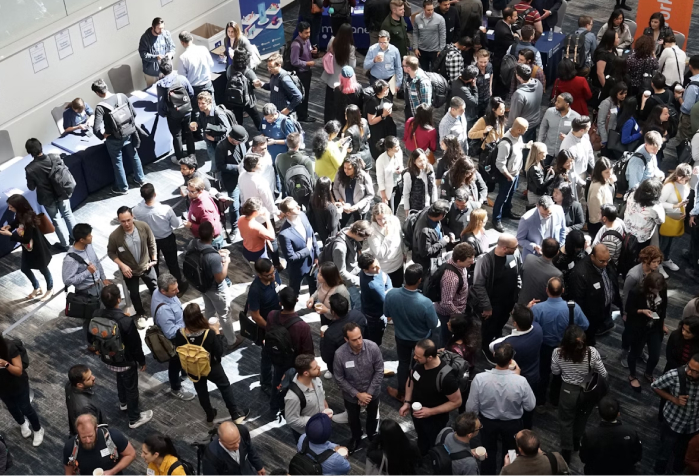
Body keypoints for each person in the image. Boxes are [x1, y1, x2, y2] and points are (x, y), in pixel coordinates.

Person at [89, 284, 153, 428]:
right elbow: (135, 345)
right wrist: (141, 361)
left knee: (120, 378)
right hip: (125, 361)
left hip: (107, 358)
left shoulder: (96, 314)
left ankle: (123, 403)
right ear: (119, 299)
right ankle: (134, 418)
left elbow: (91, 335)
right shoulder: (125, 321)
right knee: (131, 388)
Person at [466, 343, 535, 473]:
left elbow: (471, 407)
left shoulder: (479, 379)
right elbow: (530, 406)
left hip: (487, 422)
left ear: (493, 356)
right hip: (512, 424)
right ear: (510, 361)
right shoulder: (521, 381)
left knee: (487, 451)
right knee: (512, 453)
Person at [175, 303, 249, 424]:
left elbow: (178, 348)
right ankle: (235, 414)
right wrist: (216, 332)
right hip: (211, 367)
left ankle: (210, 414)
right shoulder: (208, 333)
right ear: (199, 317)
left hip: (193, 368)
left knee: (201, 391)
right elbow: (219, 351)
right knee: (224, 386)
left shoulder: (180, 333)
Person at [552, 325, 607, 463]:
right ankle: (577, 442)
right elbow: (604, 374)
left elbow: (555, 372)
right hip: (587, 391)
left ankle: (566, 451)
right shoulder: (592, 353)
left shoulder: (557, 353)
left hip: (567, 391)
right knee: (582, 417)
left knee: (565, 421)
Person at [384, 263, 439, 402]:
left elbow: (387, 314)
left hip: (401, 336)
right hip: (421, 341)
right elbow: (433, 325)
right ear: (420, 280)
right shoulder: (425, 303)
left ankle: (402, 392)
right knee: (421, 366)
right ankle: (419, 394)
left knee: (403, 364)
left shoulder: (391, 294)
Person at [531, 277, 589, 406]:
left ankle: (540, 402)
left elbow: (529, 327)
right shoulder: (573, 308)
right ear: (563, 290)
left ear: (546, 290)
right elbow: (585, 325)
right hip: (565, 348)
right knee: (560, 375)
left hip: (543, 348)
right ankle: (555, 400)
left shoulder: (537, 309)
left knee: (543, 374)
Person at [399, 339, 461, 455]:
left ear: (430, 357)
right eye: (415, 355)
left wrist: (430, 412)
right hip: (418, 413)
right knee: (421, 437)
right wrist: (407, 402)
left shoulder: (447, 378)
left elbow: (457, 402)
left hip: (435, 420)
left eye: (418, 356)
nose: (415, 358)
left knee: (435, 443)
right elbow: (411, 379)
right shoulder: (419, 362)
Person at [489, 305, 542, 429]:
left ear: (515, 323)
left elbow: (492, 346)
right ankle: (527, 429)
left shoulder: (510, 343)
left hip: (516, 381)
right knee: (528, 407)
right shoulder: (539, 329)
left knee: (513, 408)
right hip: (534, 375)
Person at [333, 322, 384, 453]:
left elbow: (379, 371)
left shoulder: (372, 348)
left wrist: (368, 393)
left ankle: (372, 434)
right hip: (351, 396)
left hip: (372, 392)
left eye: (360, 337)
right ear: (346, 339)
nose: (359, 342)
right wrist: (357, 394)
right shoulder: (340, 354)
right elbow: (339, 378)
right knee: (353, 418)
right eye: (354, 340)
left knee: (372, 415)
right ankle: (356, 437)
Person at [91, 79, 145, 195]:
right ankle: (140, 179)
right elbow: (134, 114)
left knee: (117, 162)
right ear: (107, 87)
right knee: (134, 156)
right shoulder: (122, 96)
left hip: (113, 139)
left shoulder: (100, 107)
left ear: (97, 93)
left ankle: (123, 188)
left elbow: (95, 129)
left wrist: (103, 135)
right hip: (129, 133)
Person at [185, 221, 236, 344]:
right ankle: (232, 341)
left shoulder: (193, 243)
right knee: (224, 314)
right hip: (216, 289)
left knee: (209, 309)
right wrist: (226, 262)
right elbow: (219, 278)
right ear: (213, 234)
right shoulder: (213, 257)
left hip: (202, 285)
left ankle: (207, 332)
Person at [150, 273, 199, 399]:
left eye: (177, 287)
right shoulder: (163, 310)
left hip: (181, 330)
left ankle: (184, 372)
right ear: (163, 291)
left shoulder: (160, 292)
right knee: (175, 363)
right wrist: (188, 328)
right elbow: (171, 332)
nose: (178, 291)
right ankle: (176, 388)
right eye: (174, 290)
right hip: (175, 339)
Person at [472, 234, 522, 356]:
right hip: (492, 305)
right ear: (504, 248)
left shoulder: (514, 254)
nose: (517, 249)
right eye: (514, 247)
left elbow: (518, 273)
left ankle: (497, 335)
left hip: (508, 303)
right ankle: (485, 347)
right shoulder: (485, 260)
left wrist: (518, 290)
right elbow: (478, 285)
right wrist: (487, 307)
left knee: (500, 323)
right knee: (489, 328)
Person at [107, 206, 157, 327]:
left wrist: (154, 259)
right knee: (134, 293)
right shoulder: (115, 236)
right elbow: (111, 252)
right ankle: (140, 314)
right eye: (123, 221)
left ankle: (159, 308)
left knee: (155, 288)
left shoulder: (143, 226)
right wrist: (122, 265)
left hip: (146, 266)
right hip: (130, 271)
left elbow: (151, 241)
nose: (127, 224)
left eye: (128, 220)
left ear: (133, 216)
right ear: (118, 220)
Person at [24, 138, 76, 251]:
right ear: (41, 146)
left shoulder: (29, 169)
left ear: (29, 152)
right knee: (68, 214)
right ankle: (76, 238)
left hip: (47, 198)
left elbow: (31, 187)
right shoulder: (55, 157)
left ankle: (65, 244)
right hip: (62, 192)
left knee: (56, 220)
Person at [133, 184, 186, 293]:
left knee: (154, 265)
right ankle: (178, 287)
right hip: (167, 239)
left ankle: (157, 289)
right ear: (155, 194)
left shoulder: (136, 210)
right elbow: (176, 224)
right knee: (172, 264)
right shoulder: (165, 209)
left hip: (150, 241)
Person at [652, 354, 699, 474]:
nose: (688, 372)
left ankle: (677, 469)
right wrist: (674, 399)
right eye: (689, 367)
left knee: (683, 452)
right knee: (665, 451)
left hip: (693, 425)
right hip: (674, 421)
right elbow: (655, 386)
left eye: (694, 371)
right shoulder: (674, 375)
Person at [0, 195, 53, 301]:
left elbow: (26, 239)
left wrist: (9, 234)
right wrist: (10, 226)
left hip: (36, 248)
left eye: (11, 207)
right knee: (25, 268)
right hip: (28, 248)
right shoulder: (20, 213)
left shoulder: (29, 218)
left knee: (43, 269)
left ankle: (50, 289)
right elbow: (17, 222)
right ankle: (37, 287)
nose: (9, 209)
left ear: (18, 206)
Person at [569, 243, 620, 346]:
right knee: (589, 337)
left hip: (604, 307)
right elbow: (579, 301)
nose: (606, 264)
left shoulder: (605, 263)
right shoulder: (580, 273)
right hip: (590, 315)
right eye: (602, 261)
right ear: (592, 257)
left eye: (607, 260)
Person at [626, 272, 668, 390]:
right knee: (634, 353)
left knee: (655, 356)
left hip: (655, 327)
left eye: (658, 289)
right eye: (654, 289)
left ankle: (648, 373)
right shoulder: (636, 292)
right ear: (648, 286)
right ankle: (632, 375)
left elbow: (663, 308)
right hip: (639, 328)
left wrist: (663, 324)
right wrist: (642, 311)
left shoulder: (662, 289)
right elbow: (629, 309)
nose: (656, 292)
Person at [0, 332, 44, 446]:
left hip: (17, 384)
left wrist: (5, 364)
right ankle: (22, 423)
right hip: (2, 388)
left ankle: (38, 429)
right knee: (12, 408)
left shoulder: (9, 347)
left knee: (26, 408)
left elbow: (18, 371)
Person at [579, 397, 642, 475]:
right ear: (618, 414)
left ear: (600, 414)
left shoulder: (589, 435)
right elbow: (637, 456)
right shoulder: (630, 432)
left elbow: (584, 458)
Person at [319, 220, 372, 309]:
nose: (364, 240)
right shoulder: (340, 248)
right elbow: (341, 272)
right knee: (358, 304)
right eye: (364, 238)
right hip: (347, 281)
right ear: (357, 233)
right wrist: (358, 280)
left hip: (352, 273)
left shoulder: (348, 230)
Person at [248, 259, 281, 389]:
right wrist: (270, 328)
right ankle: (265, 383)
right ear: (260, 274)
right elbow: (255, 315)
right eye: (269, 275)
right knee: (267, 356)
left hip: (277, 321)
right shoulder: (255, 290)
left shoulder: (272, 277)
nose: (273, 276)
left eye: (274, 272)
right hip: (267, 328)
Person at [63, 414, 135, 475]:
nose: (88, 440)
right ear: (78, 433)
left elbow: (131, 454)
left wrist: (112, 472)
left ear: (96, 428)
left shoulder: (112, 437)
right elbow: (69, 473)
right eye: (83, 437)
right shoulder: (70, 447)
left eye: (90, 436)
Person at [155, 57, 196, 161]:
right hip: (186, 111)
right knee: (188, 132)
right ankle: (192, 155)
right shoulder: (182, 78)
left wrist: (163, 113)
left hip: (173, 114)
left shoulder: (161, 84)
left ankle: (180, 158)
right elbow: (191, 92)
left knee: (177, 136)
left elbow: (161, 102)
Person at [491, 117, 528, 232]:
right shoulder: (505, 144)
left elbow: (519, 147)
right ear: (518, 130)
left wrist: (527, 146)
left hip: (514, 173)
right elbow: (500, 164)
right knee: (502, 197)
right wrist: (508, 176)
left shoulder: (518, 137)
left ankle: (507, 212)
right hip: (507, 175)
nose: (526, 131)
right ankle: (496, 219)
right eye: (525, 129)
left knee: (510, 195)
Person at [435, 243, 475, 346]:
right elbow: (446, 303)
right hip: (448, 315)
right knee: (445, 339)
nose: (472, 262)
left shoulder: (458, 265)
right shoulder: (451, 278)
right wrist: (459, 315)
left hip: (457, 311)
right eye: (469, 262)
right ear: (458, 261)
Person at [278, 197, 320, 295]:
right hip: (298, 269)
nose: (299, 207)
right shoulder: (284, 234)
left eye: (297, 204)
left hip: (312, 262)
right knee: (294, 291)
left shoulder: (303, 215)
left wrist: (317, 255)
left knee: (314, 285)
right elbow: (291, 257)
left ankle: (313, 303)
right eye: (294, 207)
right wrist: (307, 249)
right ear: (288, 213)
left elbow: (312, 235)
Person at [320, 294, 367, 377]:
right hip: (362, 357)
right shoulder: (358, 315)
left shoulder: (330, 333)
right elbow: (368, 336)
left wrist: (323, 338)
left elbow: (326, 358)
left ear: (333, 312)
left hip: (343, 368)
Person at [284, 354, 329, 439]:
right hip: (307, 433)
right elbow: (292, 420)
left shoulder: (316, 379)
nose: (319, 367)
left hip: (321, 424)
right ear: (306, 373)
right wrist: (315, 420)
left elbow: (321, 394)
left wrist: (325, 405)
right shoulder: (293, 397)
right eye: (315, 368)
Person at [216, 126, 249, 235]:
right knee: (234, 205)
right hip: (232, 179)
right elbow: (220, 166)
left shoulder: (241, 142)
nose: (239, 144)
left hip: (245, 176)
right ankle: (235, 227)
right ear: (232, 138)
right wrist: (237, 168)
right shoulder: (221, 146)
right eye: (237, 142)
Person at [321, 24, 357, 122]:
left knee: (329, 103)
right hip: (342, 81)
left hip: (330, 78)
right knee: (340, 105)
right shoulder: (351, 48)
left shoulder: (332, 41)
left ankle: (327, 123)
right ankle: (338, 124)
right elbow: (352, 66)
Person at [193, 92, 235, 176]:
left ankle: (217, 179)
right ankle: (214, 174)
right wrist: (196, 124)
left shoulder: (218, 114)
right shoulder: (202, 112)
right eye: (199, 103)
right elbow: (201, 123)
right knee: (214, 161)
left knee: (218, 162)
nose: (200, 105)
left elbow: (227, 130)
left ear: (210, 102)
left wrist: (214, 139)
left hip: (219, 143)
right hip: (209, 142)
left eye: (203, 103)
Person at [659, 164, 691, 271]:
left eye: (686, 180)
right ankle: (658, 263)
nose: (684, 182)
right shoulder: (669, 186)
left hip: (676, 217)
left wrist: (683, 207)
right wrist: (675, 206)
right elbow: (659, 203)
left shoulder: (685, 185)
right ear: (678, 175)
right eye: (683, 179)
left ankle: (665, 259)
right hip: (666, 218)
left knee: (670, 241)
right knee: (663, 242)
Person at [177, 30, 214, 121]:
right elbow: (211, 64)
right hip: (207, 84)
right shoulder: (203, 49)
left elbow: (182, 78)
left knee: (197, 113)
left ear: (182, 42)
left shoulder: (183, 58)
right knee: (212, 109)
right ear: (192, 38)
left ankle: (201, 133)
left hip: (194, 89)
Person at [516, 196, 566, 261]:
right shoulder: (526, 219)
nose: (546, 217)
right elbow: (519, 239)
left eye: (549, 214)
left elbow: (562, 231)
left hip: (553, 257)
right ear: (537, 206)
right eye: (543, 214)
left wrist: (559, 248)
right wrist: (533, 246)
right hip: (533, 257)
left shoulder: (559, 211)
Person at [411, 199, 453, 276]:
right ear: (441, 215)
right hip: (427, 265)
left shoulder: (428, 210)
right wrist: (442, 242)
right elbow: (425, 252)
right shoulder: (425, 231)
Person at [358, 253, 392, 345]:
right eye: (374, 268)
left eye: (377, 264)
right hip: (375, 318)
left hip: (368, 311)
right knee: (374, 341)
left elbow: (385, 276)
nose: (378, 269)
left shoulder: (364, 272)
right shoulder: (372, 286)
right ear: (365, 269)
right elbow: (386, 300)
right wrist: (388, 287)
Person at [501, 430, 569, 475]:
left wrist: (506, 466)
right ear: (539, 445)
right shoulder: (555, 458)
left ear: (520, 449)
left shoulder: (509, 470)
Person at [225, 48, 262, 130]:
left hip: (234, 99)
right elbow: (256, 84)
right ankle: (262, 131)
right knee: (255, 116)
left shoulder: (230, 68)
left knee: (238, 119)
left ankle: (239, 135)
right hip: (247, 100)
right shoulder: (248, 72)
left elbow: (228, 78)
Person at [506, 65, 543, 147]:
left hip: (523, 127)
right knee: (530, 146)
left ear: (518, 76)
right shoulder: (538, 83)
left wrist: (508, 129)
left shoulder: (519, 94)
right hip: (535, 122)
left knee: (521, 148)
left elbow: (514, 116)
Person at [537, 94, 579, 165]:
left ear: (566, 104)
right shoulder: (549, 112)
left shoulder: (576, 117)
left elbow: (577, 137)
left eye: (559, 102)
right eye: (556, 100)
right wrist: (539, 143)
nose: (555, 103)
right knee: (542, 169)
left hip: (563, 152)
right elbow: (543, 127)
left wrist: (568, 138)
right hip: (548, 149)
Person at [333, 156, 375, 226]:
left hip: (359, 209)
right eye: (345, 168)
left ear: (355, 168)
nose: (346, 171)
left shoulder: (364, 176)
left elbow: (370, 194)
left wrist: (357, 206)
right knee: (340, 225)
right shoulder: (340, 173)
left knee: (359, 228)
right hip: (345, 206)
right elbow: (335, 188)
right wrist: (341, 200)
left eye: (349, 169)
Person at [624, 179, 665, 250]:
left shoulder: (632, 194)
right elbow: (660, 221)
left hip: (626, 229)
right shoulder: (654, 208)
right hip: (642, 237)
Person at [518, 238, 562, 305]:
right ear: (557, 253)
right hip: (539, 309)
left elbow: (521, 275)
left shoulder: (529, 258)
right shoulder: (557, 274)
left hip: (521, 302)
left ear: (541, 248)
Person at [290, 22, 317, 124]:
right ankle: (302, 115)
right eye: (306, 33)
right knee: (301, 95)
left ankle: (303, 113)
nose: (308, 34)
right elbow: (294, 61)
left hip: (307, 72)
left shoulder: (307, 40)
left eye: (309, 32)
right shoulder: (296, 45)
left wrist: (312, 52)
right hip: (300, 74)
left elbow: (308, 50)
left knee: (305, 94)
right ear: (300, 33)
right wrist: (307, 63)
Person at [185, 177, 224, 248]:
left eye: (192, 191)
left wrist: (191, 225)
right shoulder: (197, 197)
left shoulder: (205, 208)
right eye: (188, 190)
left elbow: (208, 229)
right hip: (202, 237)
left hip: (211, 241)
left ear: (200, 191)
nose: (189, 194)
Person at [261, 53, 302, 118]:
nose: (269, 69)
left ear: (279, 65)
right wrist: (262, 84)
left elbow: (298, 96)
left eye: (271, 67)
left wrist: (288, 109)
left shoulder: (284, 79)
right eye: (268, 66)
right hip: (277, 113)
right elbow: (272, 86)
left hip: (286, 116)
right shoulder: (274, 74)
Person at [65, 365, 102, 436]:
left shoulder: (69, 385)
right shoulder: (85, 408)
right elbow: (91, 429)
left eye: (91, 374)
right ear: (79, 385)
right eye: (89, 379)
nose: (93, 377)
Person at [365, 80, 398, 161]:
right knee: (378, 150)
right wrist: (383, 115)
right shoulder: (372, 103)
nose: (387, 91)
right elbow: (371, 121)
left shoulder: (385, 99)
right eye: (385, 89)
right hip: (377, 131)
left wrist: (389, 113)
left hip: (386, 127)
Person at [275, 133, 315, 198]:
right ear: (299, 144)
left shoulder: (278, 157)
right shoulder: (306, 160)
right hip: (304, 194)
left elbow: (280, 178)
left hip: (287, 194)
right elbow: (312, 181)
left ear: (287, 144)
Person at [138, 17, 175, 86]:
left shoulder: (166, 34)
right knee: (152, 92)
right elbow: (143, 54)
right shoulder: (145, 38)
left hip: (165, 70)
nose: (161, 30)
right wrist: (156, 57)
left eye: (163, 28)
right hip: (151, 73)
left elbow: (172, 47)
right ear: (153, 27)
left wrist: (170, 54)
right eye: (159, 28)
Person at [468, 96, 506, 162]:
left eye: (504, 108)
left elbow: (501, 136)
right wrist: (483, 132)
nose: (503, 111)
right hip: (486, 152)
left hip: (496, 150)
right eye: (501, 109)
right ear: (493, 109)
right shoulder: (483, 120)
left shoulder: (500, 119)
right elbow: (470, 134)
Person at [412, 0, 447, 72]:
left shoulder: (440, 19)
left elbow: (443, 35)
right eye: (428, 10)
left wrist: (441, 49)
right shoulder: (417, 18)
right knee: (424, 71)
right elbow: (415, 33)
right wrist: (415, 47)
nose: (431, 12)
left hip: (435, 51)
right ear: (423, 9)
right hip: (422, 50)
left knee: (435, 71)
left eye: (432, 9)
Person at [587, 158, 616, 237]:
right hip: (599, 224)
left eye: (611, 171)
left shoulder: (605, 179)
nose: (610, 174)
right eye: (606, 172)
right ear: (599, 173)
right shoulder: (596, 188)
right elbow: (595, 212)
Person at [492, 8, 519, 95]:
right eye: (515, 16)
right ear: (508, 18)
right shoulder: (505, 33)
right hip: (502, 59)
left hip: (498, 55)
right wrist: (516, 37)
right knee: (501, 82)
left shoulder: (500, 22)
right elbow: (513, 45)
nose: (517, 18)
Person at [375, 137, 404, 213]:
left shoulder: (399, 153)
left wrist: (400, 169)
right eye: (396, 147)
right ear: (389, 149)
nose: (399, 148)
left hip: (399, 184)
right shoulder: (381, 160)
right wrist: (383, 196)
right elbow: (380, 179)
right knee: (390, 210)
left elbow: (401, 164)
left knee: (396, 207)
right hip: (389, 189)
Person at [309, 177, 342, 244]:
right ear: (328, 188)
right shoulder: (330, 208)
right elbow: (332, 226)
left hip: (319, 229)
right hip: (330, 235)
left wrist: (334, 204)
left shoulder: (313, 198)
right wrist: (338, 212)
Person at [598, 82, 628, 155]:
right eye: (621, 94)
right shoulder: (606, 103)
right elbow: (600, 122)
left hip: (613, 136)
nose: (624, 96)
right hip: (606, 136)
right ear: (615, 93)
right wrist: (604, 139)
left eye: (625, 93)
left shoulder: (619, 102)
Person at [343, 104, 373, 170]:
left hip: (356, 159)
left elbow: (349, 149)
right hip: (366, 155)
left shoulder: (349, 131)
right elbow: (368, 136)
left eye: (346, 114)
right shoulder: (364, 121)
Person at [591, 29, 620, 96]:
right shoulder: (602, 54)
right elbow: (600, 73)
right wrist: (605, 89)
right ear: (611, 40)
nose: (618, 39)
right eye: (617, 38)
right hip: (601, 85)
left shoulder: (612, 49)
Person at [474, 49, 493, 117]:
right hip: (478, 98)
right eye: (481, 62)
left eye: (485, 62)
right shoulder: (473, 70)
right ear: (477, 59)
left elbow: (491, 75)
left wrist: (490, 88)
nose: (483, 64)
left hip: (487, 96)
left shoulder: (489, 66)